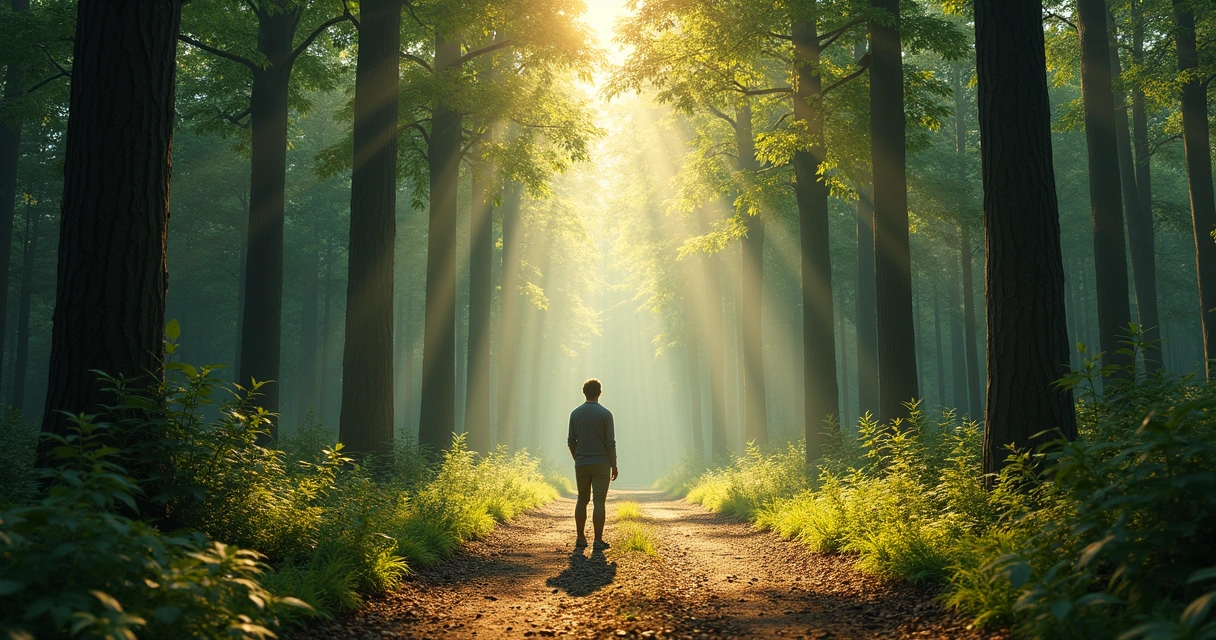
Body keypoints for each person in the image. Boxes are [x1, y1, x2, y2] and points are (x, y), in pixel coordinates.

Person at [567, 378, 618, 548]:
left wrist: (578, 458)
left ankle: (580, 539)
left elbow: (570, 441)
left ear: (583, 392)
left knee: (582, 500)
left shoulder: (575, 413)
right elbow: (610, 442)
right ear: (600, 393)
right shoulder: (605, 414)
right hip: (602, 464)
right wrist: (614, 464)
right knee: (599, 501)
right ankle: (597, 541)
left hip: (581, 462)